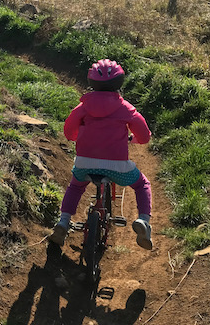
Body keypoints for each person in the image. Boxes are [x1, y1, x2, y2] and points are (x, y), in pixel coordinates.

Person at [49, 59, 153, 250]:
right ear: (119, 83)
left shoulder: (82, 108)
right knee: (142, 184)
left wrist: (77, 136)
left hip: (84, 164)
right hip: (117, 168)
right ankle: (144, 221)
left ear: (92, 83)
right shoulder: (126, 108)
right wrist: (135, 140)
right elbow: (144, 136)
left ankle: (63, 222)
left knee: (75, 187)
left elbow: (69, 132)